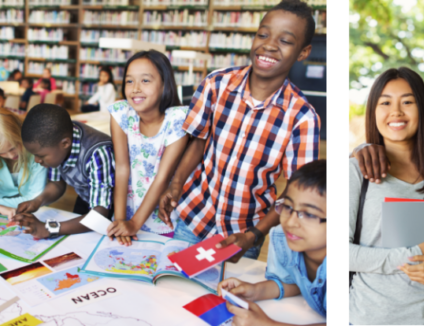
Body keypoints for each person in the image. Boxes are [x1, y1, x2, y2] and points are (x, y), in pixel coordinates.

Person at [158, 0, 320, 260]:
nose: (268, 45)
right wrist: (175, 185)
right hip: (192, 217)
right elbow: (198, 143)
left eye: (286, 41)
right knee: (173, 291)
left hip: (243, 235)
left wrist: (255, 234)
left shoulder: (302, 118)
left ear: (303, 52)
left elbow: (295, 192)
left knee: (225, 298)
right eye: (263, 34)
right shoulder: (215, 84)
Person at [347, 67, 424, 326]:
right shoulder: (356, 170)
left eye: (408, 102)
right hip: (369, 317)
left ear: (422, 109)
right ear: (373, 111)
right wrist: (410, 255)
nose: (397, 112)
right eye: (386, 102)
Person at [219, 160, 327, 326]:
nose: (290, 222)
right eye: (288, 207)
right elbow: (292, 281)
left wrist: (267, 324)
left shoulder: (356, 266)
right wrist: (255, 291)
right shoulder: (285, 238)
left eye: (309, 214)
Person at [105, 51, 189, 245]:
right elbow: (122, 168)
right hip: (129, 213)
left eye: (145, 81)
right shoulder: (121, 113)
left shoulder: (177, 119)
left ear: (165, 85)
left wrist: (135, 223)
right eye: (129, 81)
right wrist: (120, 220)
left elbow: (163, 176)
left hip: (163, 218)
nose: (135, 89)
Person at [8, 104, 114, 239]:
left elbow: (100, 215)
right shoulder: (56, 139)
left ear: (65, 143)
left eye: (41, 155)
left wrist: (50, 228)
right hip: (85, 200)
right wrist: (37, 201)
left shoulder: (98, 153)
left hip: (110, 210)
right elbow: (57, 184)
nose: (36, 160)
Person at [0, 109, 46, 216]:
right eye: (2, 153)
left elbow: (34, 198)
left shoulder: (37, 155)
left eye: (14, 147)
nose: (11, 156)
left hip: (35, 211)